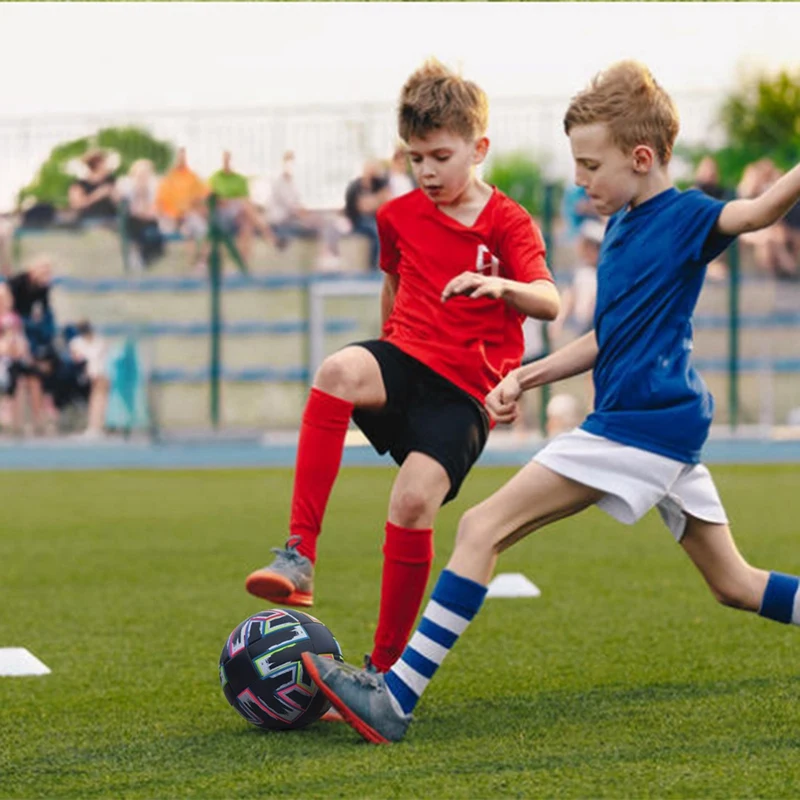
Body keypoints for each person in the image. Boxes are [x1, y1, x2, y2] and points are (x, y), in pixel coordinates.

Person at [300, 60, 800, 745]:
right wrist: (527, 377)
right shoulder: (621, 228)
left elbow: (762, 208)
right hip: (661, 429)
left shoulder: (688, 217)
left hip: (637, 430)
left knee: (480, 527)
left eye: (590, 165)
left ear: (642, 157)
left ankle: (396, 697)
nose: (578, 180)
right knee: (735, 584)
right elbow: (607, 338)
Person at [245, 59, 559, 684]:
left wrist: (498, 284)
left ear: (479, 148)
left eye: (440, 156)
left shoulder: (508, 222)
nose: (427, 171)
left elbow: (550, 301)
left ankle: (383, 673)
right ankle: (299, 556)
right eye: (415, 158)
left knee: (414, 502)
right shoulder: (397, 216)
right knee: (338, 369)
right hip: (407, 360)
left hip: (465, 395)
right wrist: (384, 353)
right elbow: (393, 286)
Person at [155, 147, 210, 271]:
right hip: (172, 218)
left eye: (183, 157)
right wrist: (174, 215)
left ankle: (201, 262)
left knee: (201, 230)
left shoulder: (193, 177)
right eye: (179, 157)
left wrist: (200, 208)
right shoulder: (167, 179)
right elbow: (161, 203)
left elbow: (204, 195)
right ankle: (193, 264)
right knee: (188, 229)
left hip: (189, 217)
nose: (181, 160)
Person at [343, 158, 392, 270]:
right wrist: (377, 200)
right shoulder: (356, 186)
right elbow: (364, 208)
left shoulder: (378, 184)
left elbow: (387, 200)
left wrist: (375, 201)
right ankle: (374, 265)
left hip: (375, 219)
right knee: (377, 231)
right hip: (358, 221)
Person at [68, 148, 118, 223]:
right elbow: (76, 205)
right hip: (89, 221)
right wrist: (98, 194)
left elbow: (119, 202)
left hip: (111, 219)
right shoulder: (79, 184)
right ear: (98, 164)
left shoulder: (111, 180)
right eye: (104, 162)